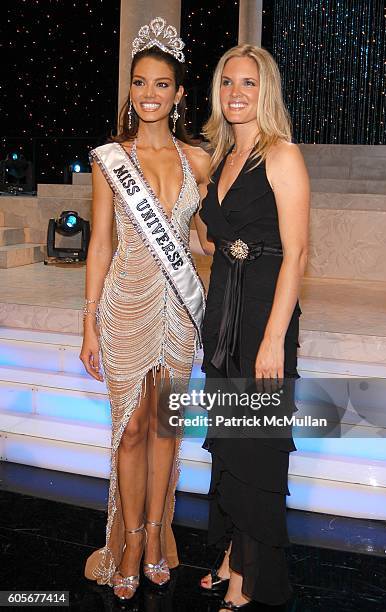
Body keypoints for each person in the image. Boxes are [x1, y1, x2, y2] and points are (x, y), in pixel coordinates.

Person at [80, 17, 210, 602]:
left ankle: (158, 535)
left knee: (165, 426)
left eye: (162, 84)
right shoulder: (112, 159)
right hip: (126, 306)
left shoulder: (198, 162)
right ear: (129, 90)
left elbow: (205, 235)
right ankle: (129, 539)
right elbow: (100, 243)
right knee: (131, 429)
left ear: (179, 94)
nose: (149, 94)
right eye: (139, 83)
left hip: (178, 311)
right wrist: (89, 320)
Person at [197, 44, 310, 610]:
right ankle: (228, 552)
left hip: (264, 314)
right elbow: (210, 237)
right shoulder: (222, 156)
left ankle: (249, 575)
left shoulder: (281, 154)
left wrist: (272, 338)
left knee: (255, 445)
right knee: (229, 442)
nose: (236, 93)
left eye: (248, 83)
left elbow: (296, 254)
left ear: (266, 91)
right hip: (223, 313)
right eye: (226, 83)